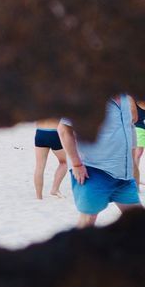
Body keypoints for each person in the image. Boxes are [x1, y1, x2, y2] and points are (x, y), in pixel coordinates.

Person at [57, 94, 142, 228]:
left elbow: (132, 121)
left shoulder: (125, 97)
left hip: (123, 175)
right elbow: (63, 130)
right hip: (94, 170)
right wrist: (76, 164)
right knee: (88, 219)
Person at [33, 118, 66, 200]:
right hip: (54, 133)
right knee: (64, 162)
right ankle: (55, 189)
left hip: (40, 132)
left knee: (39, 167)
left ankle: (39, 197)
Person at [135, 98, 145, 184]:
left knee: (138, 154)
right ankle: (135, 179)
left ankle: (136, 178)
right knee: (138, 153)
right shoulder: (134, 101)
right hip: (139, 127)